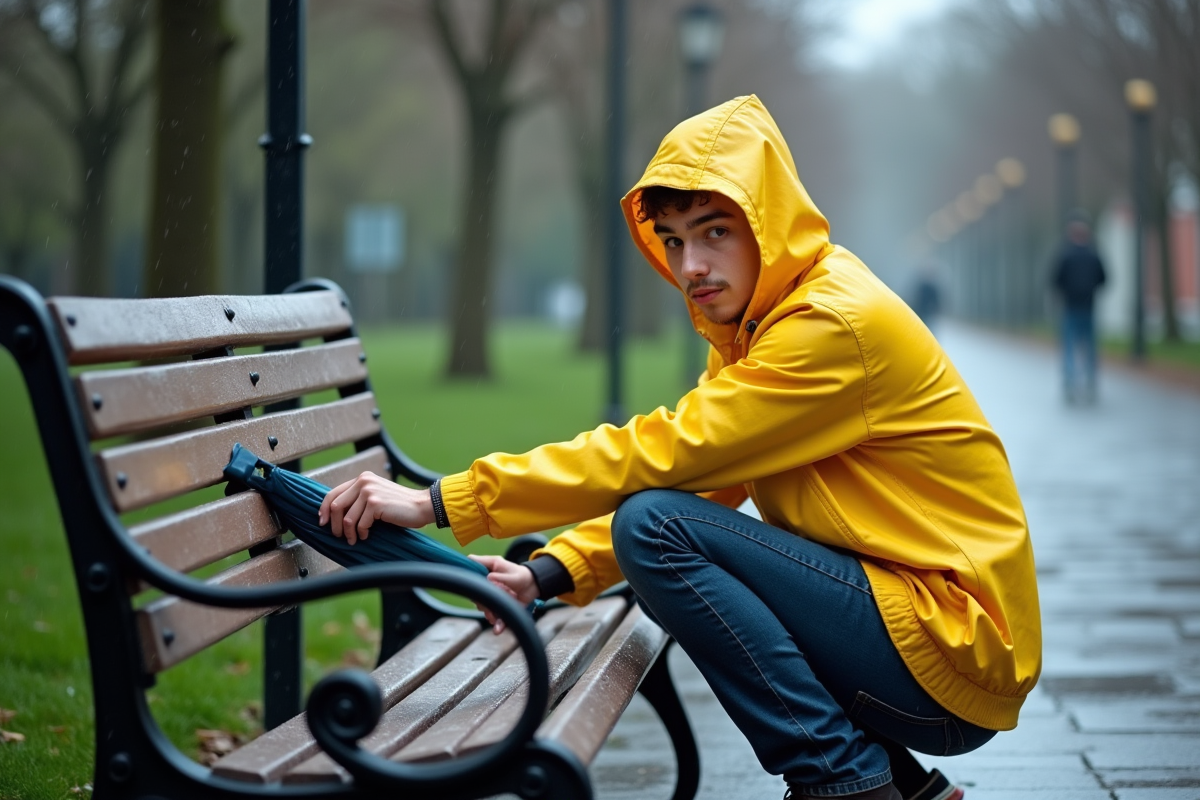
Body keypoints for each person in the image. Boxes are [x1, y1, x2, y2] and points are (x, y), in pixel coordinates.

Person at [319, 96, 1041, 800]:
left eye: (714, 232)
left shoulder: (828, 326)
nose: (690, 264)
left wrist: (442, 498)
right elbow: (706, 483)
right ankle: (903, 787)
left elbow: (662, 454)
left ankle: (842, 783)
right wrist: (547, 571)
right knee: (662, 526)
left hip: (950, 641)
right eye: (672, 240)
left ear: (768, 223)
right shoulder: (765, 325)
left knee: (654, 530)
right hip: (927, 636)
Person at [1051, 217, 1107, 404]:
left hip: (1070, 308)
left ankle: (1070, 384)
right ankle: (1091, 384)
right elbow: (1104, 278)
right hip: (1089, 307)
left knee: (1069, 347)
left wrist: (1066, 292)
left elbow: (1055, 280)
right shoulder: (1093, 255)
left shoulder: (1065, 255)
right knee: (1090, 348)